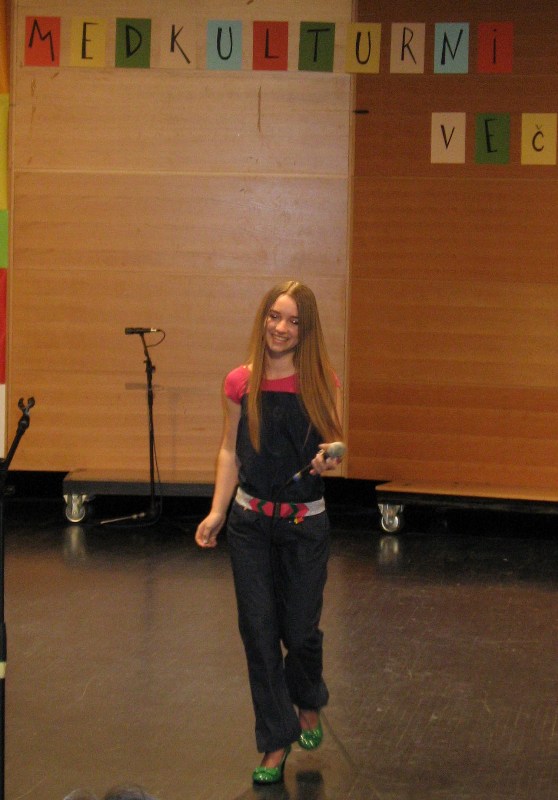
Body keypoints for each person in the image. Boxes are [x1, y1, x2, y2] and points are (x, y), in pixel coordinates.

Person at [195, 280, 344, 785]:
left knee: (299, 632)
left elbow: (336, 444)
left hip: (305, 526)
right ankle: (276, 738)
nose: (281, 328)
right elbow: (229, 450)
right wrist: (217, 512)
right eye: (275, 317)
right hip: (251, 525)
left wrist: (330, 458)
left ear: (306, 330)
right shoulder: (239, 382)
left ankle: (308, 698)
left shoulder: (321, 381)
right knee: (258, 633)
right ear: (263, 319)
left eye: (293, 321)